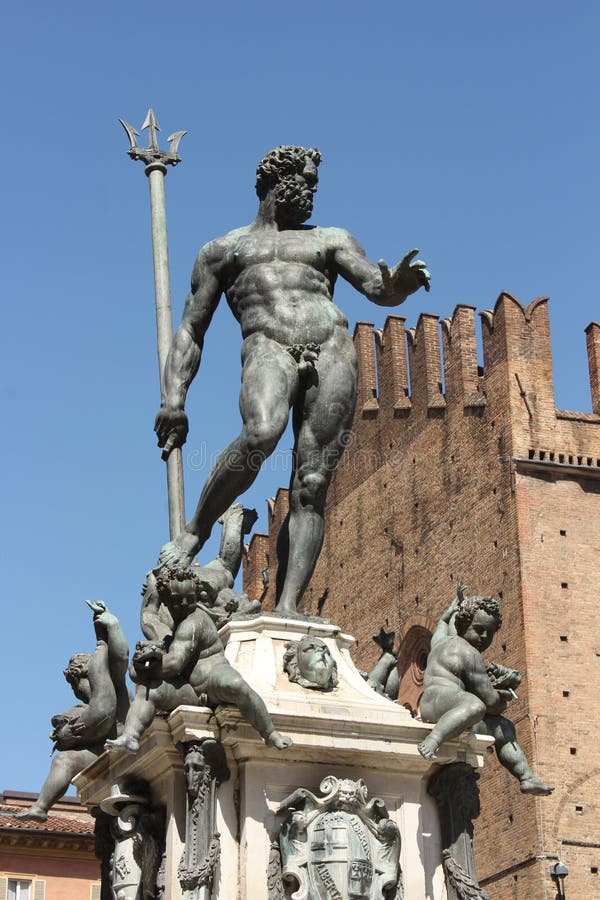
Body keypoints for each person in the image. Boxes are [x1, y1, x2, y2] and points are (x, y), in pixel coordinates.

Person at [154, 146, 430, 614]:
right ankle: (196, 530)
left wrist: (396, 286)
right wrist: (174, 399)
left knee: (312, 481)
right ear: (275, 180)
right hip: (267, 347)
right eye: (306, 178)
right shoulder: (224, 250)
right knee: (262, 430)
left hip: (332, 350)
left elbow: (375, 286)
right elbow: (191, 330)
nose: (313, 189)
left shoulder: (331, 239)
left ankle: (288, 608)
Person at [106, 566, 292, 753]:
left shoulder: (195, 621)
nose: (186, 603)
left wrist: (142, 670)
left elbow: (174, 664)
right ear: (167, 601)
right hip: (191, 691)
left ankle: (270, 733)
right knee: (150, 690)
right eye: (178, 600)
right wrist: (153, 584)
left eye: (190, 598)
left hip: (213, 678)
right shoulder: (168, 628)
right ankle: (131, 735)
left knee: (237, 685)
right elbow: (149, 616)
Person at [417, 590, 553, 795]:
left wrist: (449, 614)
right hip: (444, 705)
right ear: (464, 625)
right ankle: (433, 740)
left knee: (504, 728)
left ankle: (526, 777)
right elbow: (490, 703)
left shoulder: (441, 642)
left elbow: (441, 626)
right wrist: (507, 690)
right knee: (476, 706)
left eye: (489, 633)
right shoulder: (469, 654)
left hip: (435, 705)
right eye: (479, 630)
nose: (483, 637)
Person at [15, 602, 130, 821]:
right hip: (111, 752)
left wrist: (111, 628)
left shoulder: (108, 676)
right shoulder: (87, 701)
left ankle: (40, 807)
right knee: (64, 761)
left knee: (64, 761)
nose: (75, 690)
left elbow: (121, 656)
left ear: (79, 677)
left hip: (132, 749)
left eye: (73, 683)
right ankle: (40, 807)